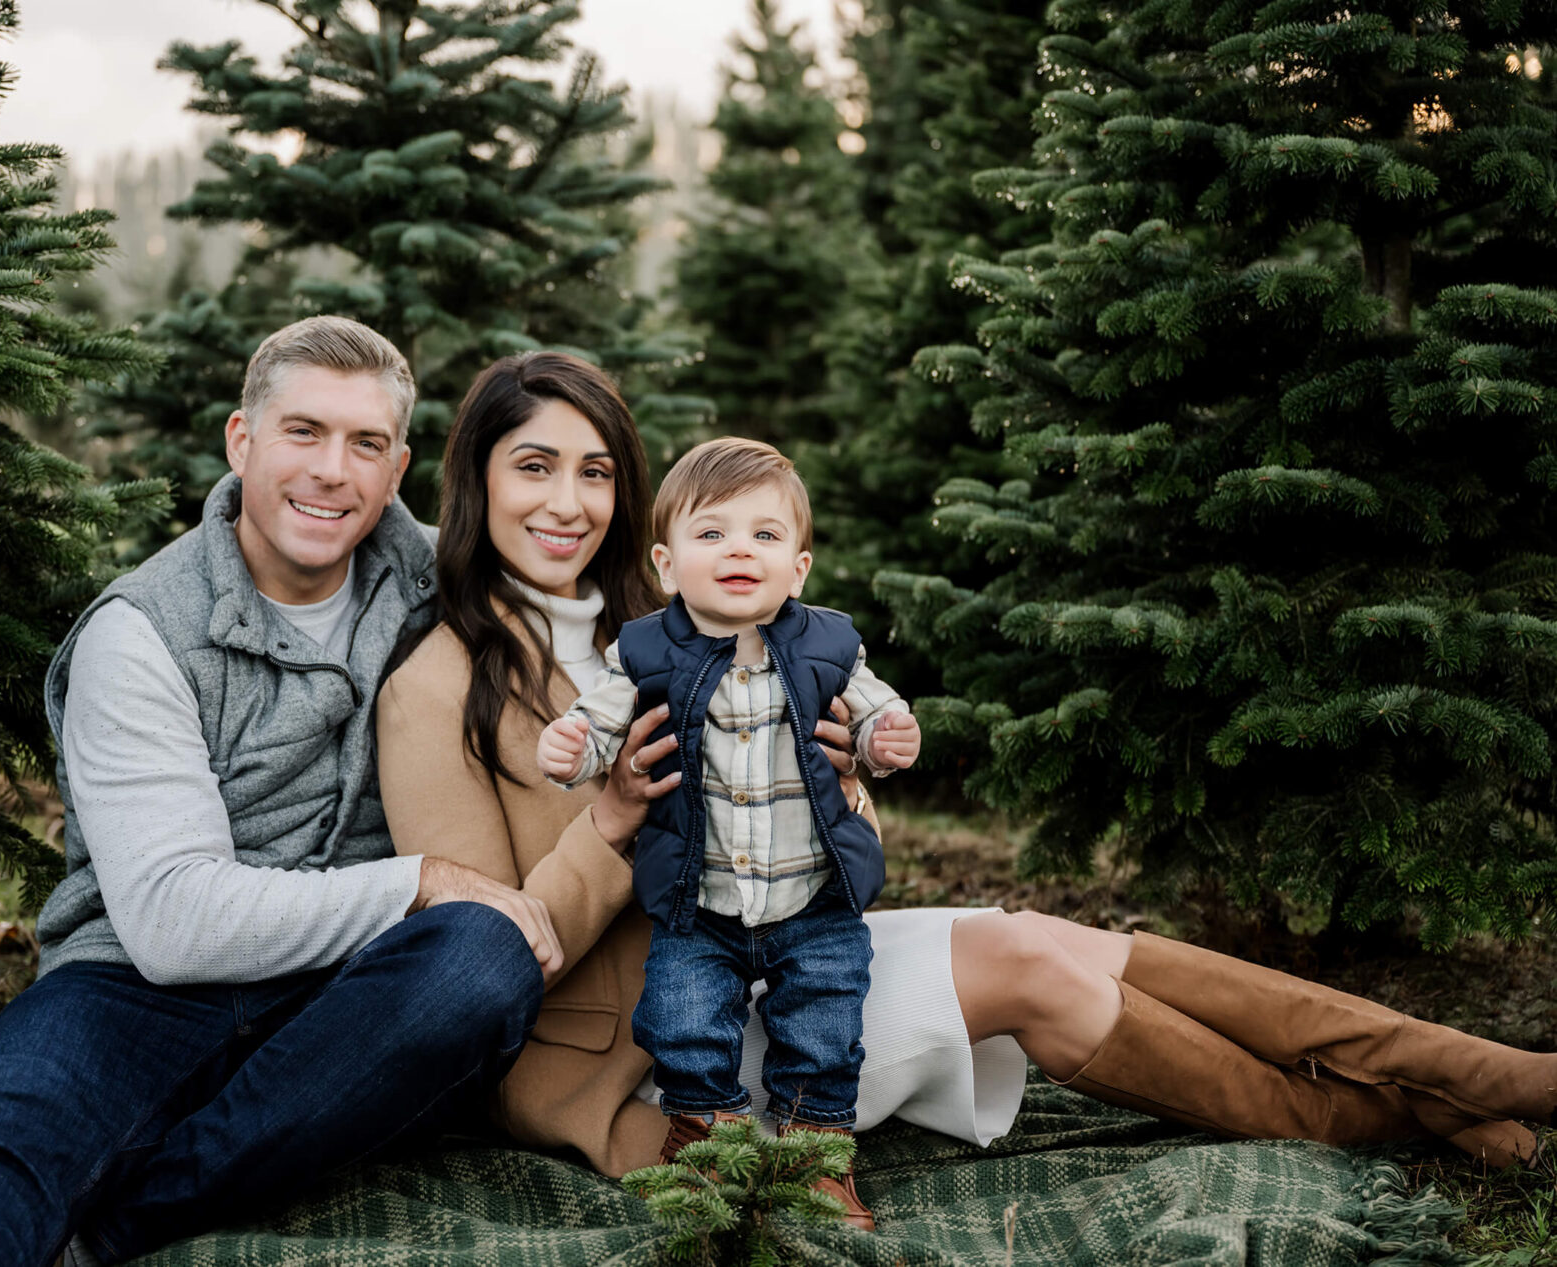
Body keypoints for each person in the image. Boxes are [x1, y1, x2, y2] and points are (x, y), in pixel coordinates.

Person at [375, 351, 1552, 1224]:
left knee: (1040, 932)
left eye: (594, 470)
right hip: (655, 1043)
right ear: (477, 483)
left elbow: (824, 810)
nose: (567, 501)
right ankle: (1406, 1109)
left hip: (784, 947)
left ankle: (1465, 1080)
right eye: (533, 467)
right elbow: (478, 966)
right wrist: (616, 820)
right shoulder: (436, 684)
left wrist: (845, 781)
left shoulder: (679, 621)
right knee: (1028, 963)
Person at [0, 317, 565, 1267]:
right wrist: (417, 880)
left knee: (479, 960)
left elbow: (640, 618)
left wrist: (803, 687)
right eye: (303, 432)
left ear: (398, 466)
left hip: (348, 992)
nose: (333, 470)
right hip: (130, 985)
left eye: (365, 444)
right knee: (5, 1154)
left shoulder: (439, 573)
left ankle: (109, 1232)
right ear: (240, 440)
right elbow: (173, 922)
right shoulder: (140, 631)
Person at [534, 437, 921, 1229]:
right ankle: (708, 1143)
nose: (739, 549)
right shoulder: (643, 649)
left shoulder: (828, 644)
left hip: (813, 895)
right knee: (681, 1019)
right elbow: (601, 724)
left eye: (764, 535)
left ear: (799, 568)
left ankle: (814, 1157)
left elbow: (877, 708)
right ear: (668, 565)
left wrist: (887, 739)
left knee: (823, 1025)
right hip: (696, 900)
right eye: (711, 533)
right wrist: (572, 747)